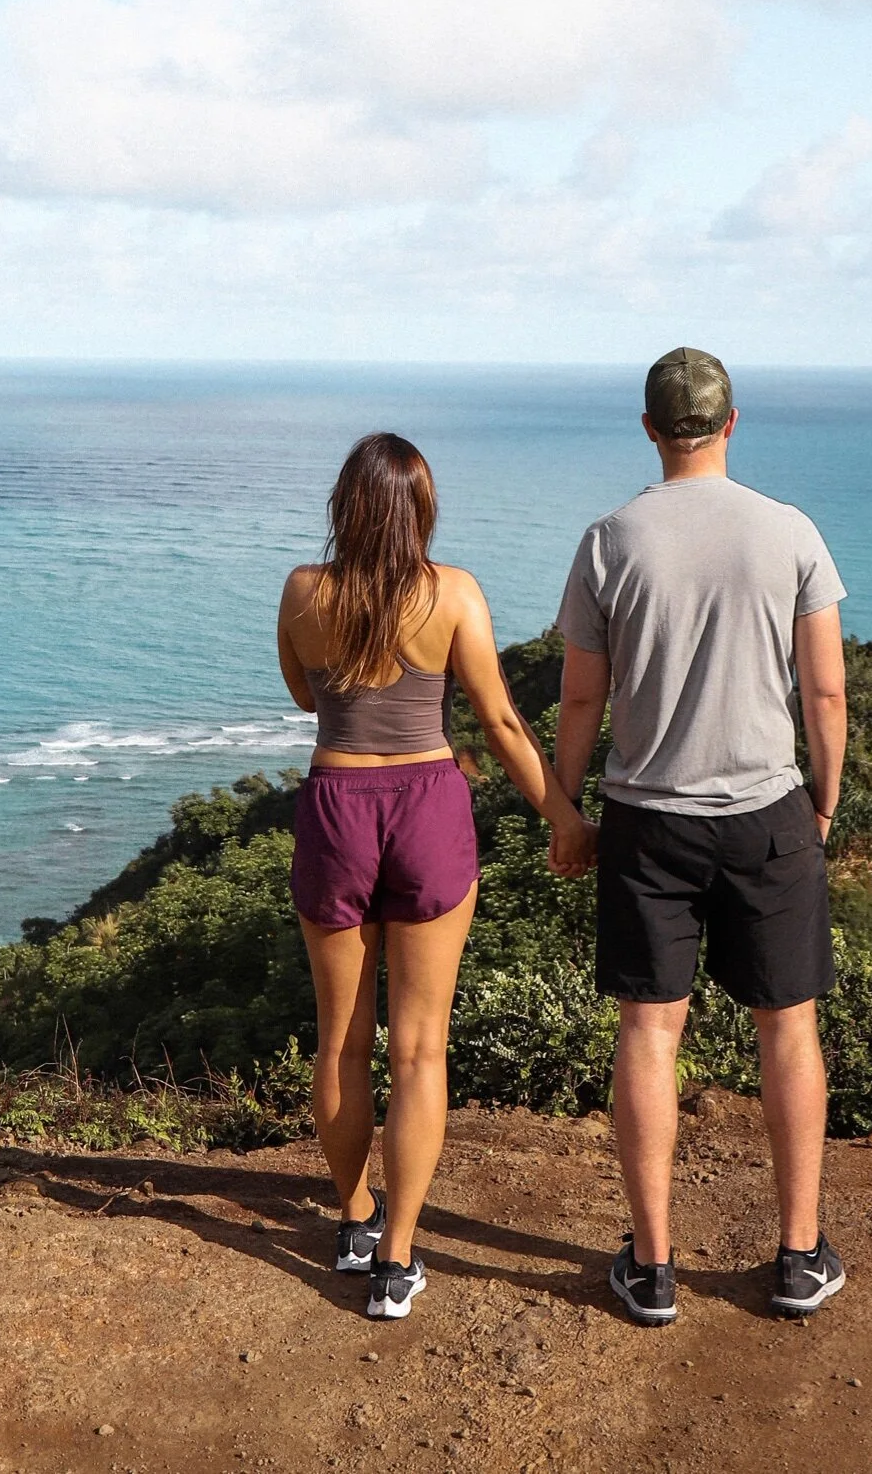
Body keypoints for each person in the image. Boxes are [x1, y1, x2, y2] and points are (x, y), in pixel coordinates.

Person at [551, 348, 849, 1325]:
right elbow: (825, 690)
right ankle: (799, 1254)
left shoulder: (610, 539)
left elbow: (584, 694)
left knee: (649, 1030)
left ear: (648, 427)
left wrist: (567, 805)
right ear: (732, 422)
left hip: (648, 819)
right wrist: (825, 803)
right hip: (768, 814)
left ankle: (653, 1267)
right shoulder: (790, 531)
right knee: (788, 1027)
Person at [279, 431, 597, 1322]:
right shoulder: (452, 593)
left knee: (340, 1037)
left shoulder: (304, 591)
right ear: (420, 507)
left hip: (337, 801)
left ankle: (350, 1218)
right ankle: (397, 1260)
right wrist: (564, 819)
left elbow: (307, 695)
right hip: (426, 804)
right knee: (420, 1048)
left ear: (345, 505)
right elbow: (497, 719)